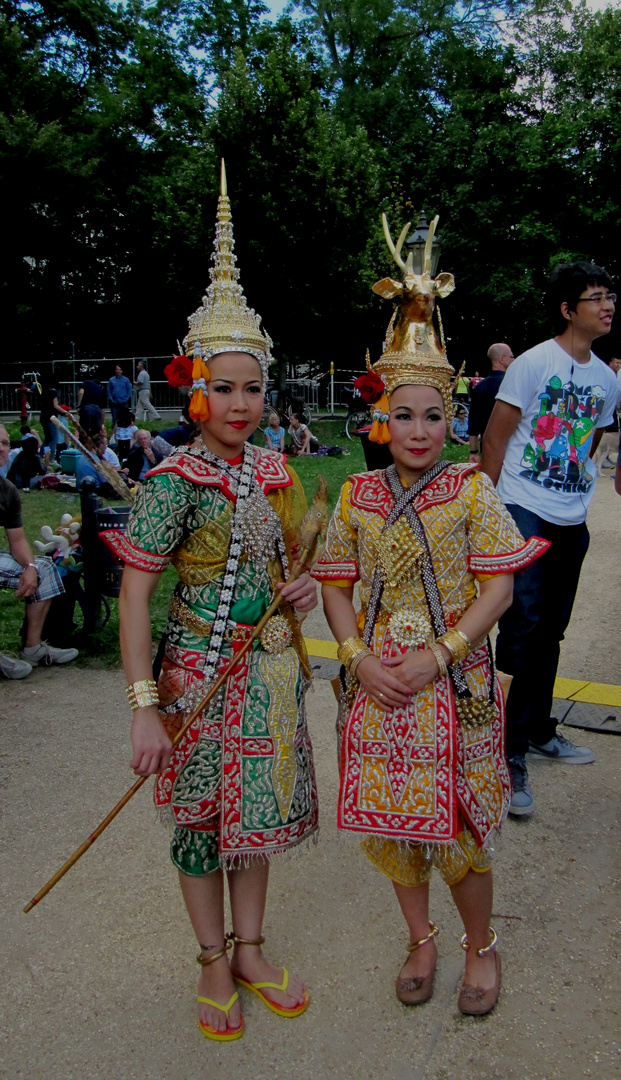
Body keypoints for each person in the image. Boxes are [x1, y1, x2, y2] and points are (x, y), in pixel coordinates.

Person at [102, 165, 318, 1042]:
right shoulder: (170, 481)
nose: (240, 404)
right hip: (192, 680)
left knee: (254, 819)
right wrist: (145, 708)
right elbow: (132, 600)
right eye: (223, 388)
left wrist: (297, 592)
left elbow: (288, 574)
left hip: (267, 677)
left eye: (253, 388)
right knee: (199, 823)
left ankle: (254, 945)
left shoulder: (276, 473)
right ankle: (209, 957)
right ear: (193, 390)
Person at [313, 216, 547, 1017]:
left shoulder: (474, 491)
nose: (417, 430)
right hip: (377, 682)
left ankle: (480, 948)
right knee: (393, 827)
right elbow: (337, 584)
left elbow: (499, 591)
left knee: (459, 826)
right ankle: (419, 938)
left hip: (454, 682)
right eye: (402, 415)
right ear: (382, 417)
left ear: (452, 417)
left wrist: (438, 655)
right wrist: (354, 655)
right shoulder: (356, 495)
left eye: (431, 415)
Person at [480, 262, 618, 817]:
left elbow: (594, 438)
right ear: (568, 310)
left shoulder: (607, 380)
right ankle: (506, 753)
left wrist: (578, 486)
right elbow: (495, 436)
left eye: (610, 297)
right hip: (524, 509)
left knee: (553, 628)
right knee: (522, 625)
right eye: (595, 298)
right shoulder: (534, 363)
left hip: (570, 517)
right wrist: (486, 514)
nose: (607, 306)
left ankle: (539, 730)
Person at [0, 425, 79, 678]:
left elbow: (18, 540)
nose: (1, 448)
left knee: (45, 568)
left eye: (4, 443)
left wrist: (30, 568)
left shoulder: (7, 491)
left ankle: (32, 648)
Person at [468, 343, 515, 462]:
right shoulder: (513, 384)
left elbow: (473, 422)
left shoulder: (479, 387)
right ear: (502, 359)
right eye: (512, 356)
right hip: (512, 446)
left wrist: (473, 452)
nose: (514, 359)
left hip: (488, 446)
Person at [39, 379, 63, 467]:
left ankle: (41, 456)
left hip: (43, 417)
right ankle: (52, 459)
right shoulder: (54, 392)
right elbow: (55, 405)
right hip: (51, 418)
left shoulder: (44, 392)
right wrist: (65, 412)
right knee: (54, 439)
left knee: (47, 439)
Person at [107, 364, 133, 436]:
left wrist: (126, 399)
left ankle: (126, 433)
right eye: (117, 369)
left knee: (125, 418)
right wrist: (111, 399)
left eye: (119, 369)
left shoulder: (126, 380)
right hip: (114, 403)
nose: (118, 371)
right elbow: (109, 390)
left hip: (123, 402)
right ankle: (114, 434)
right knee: (115, 419)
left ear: (122, 371)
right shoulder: (111, 380)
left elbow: (129, 390)